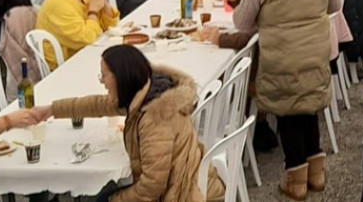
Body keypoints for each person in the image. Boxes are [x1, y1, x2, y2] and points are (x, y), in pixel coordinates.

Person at [224, 0, 341, 198]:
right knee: (308, 106)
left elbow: (242, 22)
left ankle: (296, 181)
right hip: (314, 50)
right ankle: (317, 175)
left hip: (280, 55)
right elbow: (334, 4)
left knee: (288, 113)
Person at [32, 45, 224, 202]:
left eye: (104, 76)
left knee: (102, 197)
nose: (102, 82)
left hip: (184, 195)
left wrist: (115, 199)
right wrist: (51, 110)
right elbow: (97, 104)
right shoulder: (147, 91)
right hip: (184, 185)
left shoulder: (155, 118)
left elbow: (152, 186)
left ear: (120, 78)